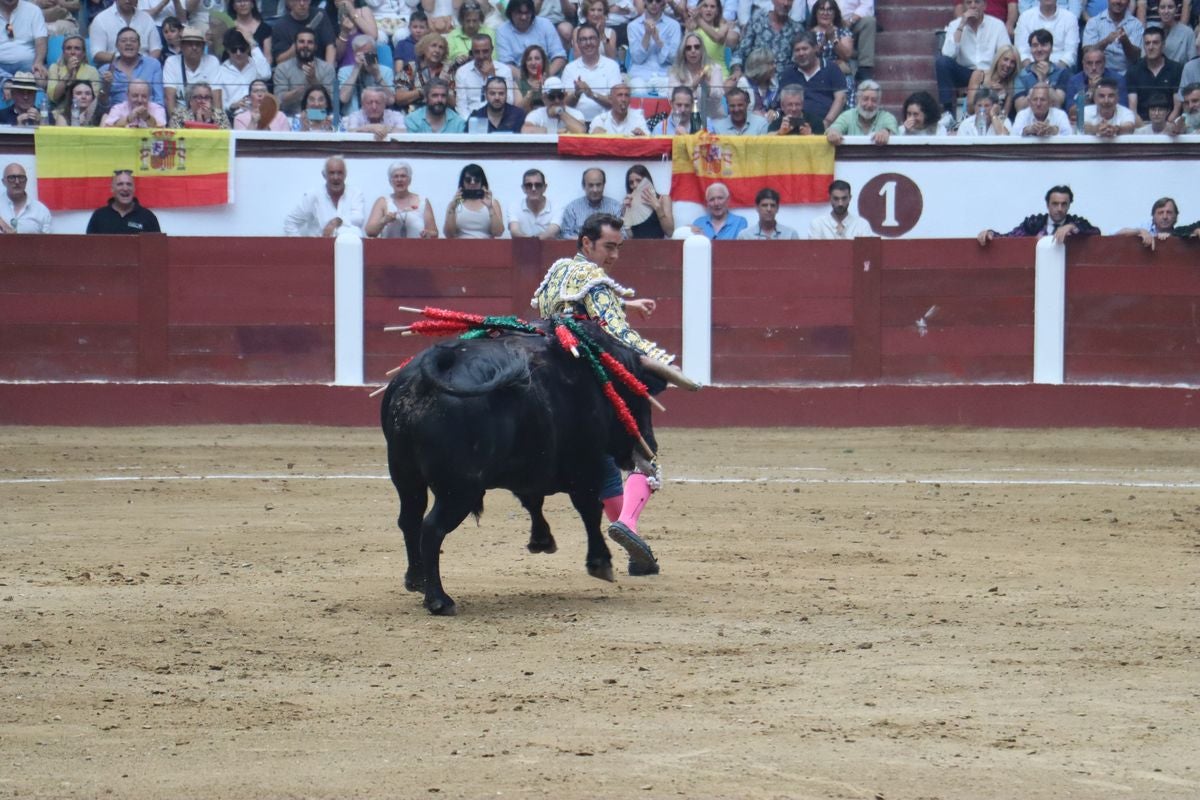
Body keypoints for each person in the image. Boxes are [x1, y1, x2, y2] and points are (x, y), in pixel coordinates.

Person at [530, 210, 673, 576]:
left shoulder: (561, 269)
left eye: (618, 248)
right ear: (587, 243)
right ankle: (627, 520)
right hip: (587, 378)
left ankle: (630, 543)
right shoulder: (595, 279)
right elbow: (617, 333)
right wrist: (659, 360)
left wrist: (625, 302)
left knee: (603, 460)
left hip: (552, 373)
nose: (614, 256)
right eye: (608, 247)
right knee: (643, 451)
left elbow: (568, 305)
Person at [936, 0, 1013, 121]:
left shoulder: (997, 25)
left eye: (977, 2)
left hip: (990, 73)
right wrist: (961, 25)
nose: (972, 6)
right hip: (965, 73)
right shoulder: (955, 25)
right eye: (968, 2)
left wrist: (991, 76)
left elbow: (1006, 53)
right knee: (942, 62)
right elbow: (948, 54)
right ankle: (948, 114)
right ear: (964, 6)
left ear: (984, 6)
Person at [977, 184, 1100, 244]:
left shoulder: (1076, 223)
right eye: (1055, 204)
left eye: (1064, 204)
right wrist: (990, 233)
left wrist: (1071, 227)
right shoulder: (1034, 224)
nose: (1059, 208)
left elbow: (1095, 232)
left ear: (1069, 205)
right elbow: (1010, 238)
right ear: (1047, 205)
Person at [778, 31, 847, 131]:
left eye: (805, 49)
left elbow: (841, 98)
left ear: (815, 48)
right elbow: (783, 102)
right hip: (794, 127)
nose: (801, 53)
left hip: (827, 126)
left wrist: (826, 123)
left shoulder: (831, 68)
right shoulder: (788, 73)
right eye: (797, 50)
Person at [283, 156, 365, 237]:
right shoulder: (313, 195)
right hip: (318, 248)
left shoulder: (355, 193)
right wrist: (300, 246)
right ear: (324, 175)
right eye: (331, 173)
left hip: (347, 247)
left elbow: (359, 219)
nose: (336, 177)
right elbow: (290, 222)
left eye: (339, 173)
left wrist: (337, 221)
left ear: (345, 175)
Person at [561, 22, 622, 123]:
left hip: (605, 123)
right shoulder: (569, 68)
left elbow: (616, 102)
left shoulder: (612, 66)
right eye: (583, 40)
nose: (588, 43)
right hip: (577, 123)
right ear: (578, 44)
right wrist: (576, 95)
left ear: (598, 41)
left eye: (592, 38)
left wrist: (592, 94)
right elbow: (564, 103)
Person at [731, 0, 806, 82]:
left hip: (783, 85)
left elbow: (797, 64)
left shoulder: (796, 30)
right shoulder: (757, 20)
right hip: (755, 80)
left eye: (789, 1)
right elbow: (741, 51)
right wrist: (737, 70)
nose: (785, 3)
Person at [365, 161, 438, 238]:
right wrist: (384, 221)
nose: (399, 180)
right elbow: (370, 232)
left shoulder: (423, 202)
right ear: (390, 181)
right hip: (389, 248)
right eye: (395, 176)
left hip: (418, 248)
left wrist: (428, 234)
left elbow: (435, 233)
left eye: (403, 176)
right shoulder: (382, 202)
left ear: (409, 180)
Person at [273, 28, 336, 116]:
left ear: (315, 47)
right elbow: (278, 101)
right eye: (301, 42)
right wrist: (303, 88)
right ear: (295, 45)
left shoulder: (327, 68)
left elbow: (333, 101)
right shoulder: (282, 68)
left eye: (310, 42)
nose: (305, 45)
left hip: (320, 116)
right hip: (291, 116)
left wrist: (313, 80)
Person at [97, 27, 166, 107]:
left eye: (133, 41)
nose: (128, 43)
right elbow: (102, 107)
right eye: (123, 41)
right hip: (118, 116)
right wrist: (106, 87)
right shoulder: (105, 70)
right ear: (117, 45)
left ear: (139, 45)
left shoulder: (153, 65)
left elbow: (159, 100)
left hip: (148, 114)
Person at [454, 33, 517, 119]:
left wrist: (493, 76)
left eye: (485, 51)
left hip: (499, 118)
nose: (481, 56)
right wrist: (471, 123)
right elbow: (461, 106)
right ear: (472, 52)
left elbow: (509, 101)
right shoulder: (462, 72)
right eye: (477, 52)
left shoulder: (504, 70)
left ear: (492, 50)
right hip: (472, 120)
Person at [1126, 26, 1184, 119]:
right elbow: (1133, 110)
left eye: (1155, 43)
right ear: (1144, 46)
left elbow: (1177, 108)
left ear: (1163, 45)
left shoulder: (1177, 69)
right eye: (1147, 43)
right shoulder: (1133, 71)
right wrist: (1144, 129)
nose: (1151, 47)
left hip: (1169, 125)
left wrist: (1165, 129)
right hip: (1141, 126)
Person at [668, 31, 727, 119]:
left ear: (702, 50)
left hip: (712, 119)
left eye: (697, 47)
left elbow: (718, 96)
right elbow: (671, 98)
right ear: (683, 52)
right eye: (688, 48)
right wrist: (692, 87)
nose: (693, 51)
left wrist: (707, 86)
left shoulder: (714, 68)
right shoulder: (675, 71)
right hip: (683, 119)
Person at [497, 0, 567, 75]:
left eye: (527, 13)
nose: (524, 17)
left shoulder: (545, 24)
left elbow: (560, 57)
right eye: (519, 13)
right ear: (511, 13)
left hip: (546, 73)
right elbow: (506, 64)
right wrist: (527, 82)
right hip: (518, 78)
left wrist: (546, 76)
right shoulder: (502, 30)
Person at [626, 0, 682, 93]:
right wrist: (647, 35)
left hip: (665, 74)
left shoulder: (674, 25)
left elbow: (674, 58)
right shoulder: (633, 26)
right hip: (640, 75)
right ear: (644, 1)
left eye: (658, 0)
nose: (654, 4)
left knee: (671, 90)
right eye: (650, 0)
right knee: (639, 90)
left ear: (663, 2)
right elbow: (637, 59)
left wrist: (658, 41)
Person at [808, 0, 856, 105]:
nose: (825, 13)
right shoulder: (809, 34)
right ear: (816, 12)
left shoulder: (843, 31)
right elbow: (809, 57)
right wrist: (824, 40)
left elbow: (846, 55)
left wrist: (834, 39)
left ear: (835, 13)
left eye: (830, 10)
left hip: (841, 74)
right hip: (818, 74)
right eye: (822, 9)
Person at [86, 169, 162, 234]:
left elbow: (157, 247)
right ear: (112, 189)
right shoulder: (99, 216)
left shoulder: (148, 217)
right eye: (120, 184)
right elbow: (89, 247)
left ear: (134, 189)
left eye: (129, 184)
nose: (125, 188)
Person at [394, 31, 454, 112]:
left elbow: (454, 103)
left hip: (441, 113)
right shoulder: (410, 67)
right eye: (433, 46)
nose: (437, 50)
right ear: (423, 48)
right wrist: (423, 91)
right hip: (414, 113)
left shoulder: (448, 70)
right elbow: (399, 98)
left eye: (441, 47)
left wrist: (445, 87)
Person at [217, 29, 272, 116]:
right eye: (234, 50)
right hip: (232, 117)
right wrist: (232, 106)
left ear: (248, 48)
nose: (238, 53)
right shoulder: (220, 71)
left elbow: (266, 74)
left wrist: (252, 42)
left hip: (259, 114)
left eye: (242, 49)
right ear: (227, 50)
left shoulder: (257, 65)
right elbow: (218, 104)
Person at [89, 0, 162, 66]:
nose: (128, 1)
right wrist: (124, 59)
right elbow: (97, 54)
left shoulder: (146, 18)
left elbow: (156, 48)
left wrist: (145, 66)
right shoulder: (101, 20)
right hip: (114, 71)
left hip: (144, 68)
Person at [825, 79, 897, 144]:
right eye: (865, 99)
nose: (869, 104)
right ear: (857, 100)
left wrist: (885, 132)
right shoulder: (848, 115)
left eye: (874, 100)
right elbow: (834, 128)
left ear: (879, 102)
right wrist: (833, 133)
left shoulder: (886, 117)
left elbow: (892, 130)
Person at [337, 33, 395, 114]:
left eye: (368, 53)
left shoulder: (386, 71)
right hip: (352, 118)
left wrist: (377, 75)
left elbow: (390, 101)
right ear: (354, 55)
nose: (365, 57)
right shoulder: (344, 71)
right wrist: (356, 69)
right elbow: (343, 98)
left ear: (375, 53)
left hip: (378, 118)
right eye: (361, 54)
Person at [560, 167, 623, 241]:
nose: (595, 190)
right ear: (584, 186)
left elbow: (622, 234)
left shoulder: (615, 207)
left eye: (598, 185)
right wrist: (586, 240)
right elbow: (565, 235)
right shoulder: (572, 208)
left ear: (604, 185)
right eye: (591, 185)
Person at [443, 162, 504, 238]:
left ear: (482, 182)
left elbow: (498, 232)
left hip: (487, 246)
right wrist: (452, 208)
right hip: (460, 246)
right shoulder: (456, 203)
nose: (472, 183)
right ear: (463, 182)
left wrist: (490, 208)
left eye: (477, 180)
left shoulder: (493, 203)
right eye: (468, 180)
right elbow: (449, 234)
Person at [1084, 0, 1145, 74]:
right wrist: (1106, 41)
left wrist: (1126, 42)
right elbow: (1087, 53)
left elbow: (1136, 58)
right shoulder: (1094, 22)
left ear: (1129, 2)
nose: (1118, 1)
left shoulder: (1136, 24)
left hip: (1127, 74)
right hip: (1100, 73)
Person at [1014, 29, 1071, 108]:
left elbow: (1058, 103)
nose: (1039, 49)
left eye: (1044, 45)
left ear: (1051, 49)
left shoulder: (1061, 73)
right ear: (1030, 49)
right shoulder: (1022, 75)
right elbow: (1020, 108)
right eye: (1035, 45)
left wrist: (1044, 80)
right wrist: (1039, 84)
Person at [1015, 0, 1080, 70]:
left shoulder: (1070, 18)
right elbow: (1021, 52)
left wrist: (1052, 72)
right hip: (1031, 69)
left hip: (1060, 71)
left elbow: (1070, 53)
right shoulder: (1025, 17)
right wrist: (1033, 71)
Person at [45, 35, 100, 116]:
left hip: (85, 115)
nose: (72, 52)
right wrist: (68, 74)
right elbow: (53, 97)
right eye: (68, 48)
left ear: (83, 53)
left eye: (77, 48)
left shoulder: (92, 71)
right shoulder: (55, 68)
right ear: (63, 52)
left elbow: (95, 99)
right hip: (59, 114)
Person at [271, 0, 336, 65]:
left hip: (319, 67)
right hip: (293, 70)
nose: (302, 3)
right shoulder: (280, 26)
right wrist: (298, 43)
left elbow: (330, 45)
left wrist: (329, 70)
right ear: (290, 2)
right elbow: (280, 61)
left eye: (305, 0)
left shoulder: (320, 15)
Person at [966, 43, 1019, 118]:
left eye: (1012, 62)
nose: (1008, 65)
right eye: (1005, 59)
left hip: (994, 124)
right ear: (998, 59)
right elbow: (970, 109)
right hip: (972, 120)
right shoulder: (979, 75)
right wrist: (989, 92)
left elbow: (1004, 117)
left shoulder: (1010, 86)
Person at [621, 164, 674, 239]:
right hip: (637, 247)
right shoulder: (629, 203)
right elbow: (631, 236)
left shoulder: (663, 199)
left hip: (659, 246)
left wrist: (658, 208)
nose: (635, 185)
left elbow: (669, 232)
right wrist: (626, 214)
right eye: (631, 183)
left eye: (638, 180)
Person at [520, 75, 586, 132]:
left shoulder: (576, 114)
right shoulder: (536, 114)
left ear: (565, 95)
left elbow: (581, 131)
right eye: (551, 97)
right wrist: (553, 132)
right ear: (544, 98)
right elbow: (525, 130)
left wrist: (560, 112)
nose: (557, 101)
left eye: (560, 96)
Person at [507, 167, 560, 238]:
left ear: (545, 187)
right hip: (522, 247)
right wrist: (531, 241)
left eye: (538, 185)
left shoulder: (556, 207)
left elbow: (552, 231)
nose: (533, 189)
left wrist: (534, 241)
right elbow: (514, 231)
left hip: (549, 248)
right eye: (529, 185)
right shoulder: (514, 206)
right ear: (523, 188)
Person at [0, 162, 51, 233]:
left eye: (21, 177)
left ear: (26, 181)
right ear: (3, 182)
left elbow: (49, 242)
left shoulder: (41, 210)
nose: (17, 182)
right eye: (11, 178)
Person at [685, 0, 739, 65]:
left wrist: (699, 20)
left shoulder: (723, 27)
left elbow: (717, 37)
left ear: (717, 11)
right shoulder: (692, 27)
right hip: (698, 72)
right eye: (705, 6)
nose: (709, 9)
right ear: (700, 10)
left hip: (719, 72)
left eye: (712, 7)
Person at [1113, 196, 1181, 247]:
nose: (1165, 217)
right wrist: (1140, 231)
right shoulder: (1145, 228)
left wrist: (1171, 238)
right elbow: (1114, 234)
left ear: (1176, 216)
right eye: (1160, 213)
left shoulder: (1181, 234)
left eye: (1169, 212)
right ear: (1153, 216)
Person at [445, 1, 493, 69]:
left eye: (474, 21)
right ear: (462, 20)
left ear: (480, 19)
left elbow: (494, 58)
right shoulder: (453, 35)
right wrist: (456, 59)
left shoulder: (489, 33)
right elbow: (447, 60)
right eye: (468, 21)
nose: (471, 25)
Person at [332, 0, 378, 69]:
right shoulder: (331, 17)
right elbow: (337, 56)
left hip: (368, 67)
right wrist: (344, 33)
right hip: (346, 68)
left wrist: (352, 12)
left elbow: (373, 36)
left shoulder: (363, 11)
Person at [101, 78, 166, 127]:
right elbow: (108, 127)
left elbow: (161, 129)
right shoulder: (118, 108)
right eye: (135, 96)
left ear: (149, 96)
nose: (140, 100)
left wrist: (147, 117)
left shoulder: (157, 109)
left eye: (144, 96)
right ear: (127, 95)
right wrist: (129, 118)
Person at [228, 0, 273, 65]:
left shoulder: (265, 28)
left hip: (258, 70)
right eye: (238, 1)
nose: (242, 4)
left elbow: (268, 57)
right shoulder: (228, 28)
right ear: (233, 6)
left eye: (246, 0)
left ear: (252, 4)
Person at [513, 43, 548, 111]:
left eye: (537, 59)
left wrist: (546, 88)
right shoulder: (518, 84)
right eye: (529, 59)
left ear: (543, 61)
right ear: (525, 63)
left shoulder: (552, 81)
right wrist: (531, 93)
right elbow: (517, 110)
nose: (533, 63)